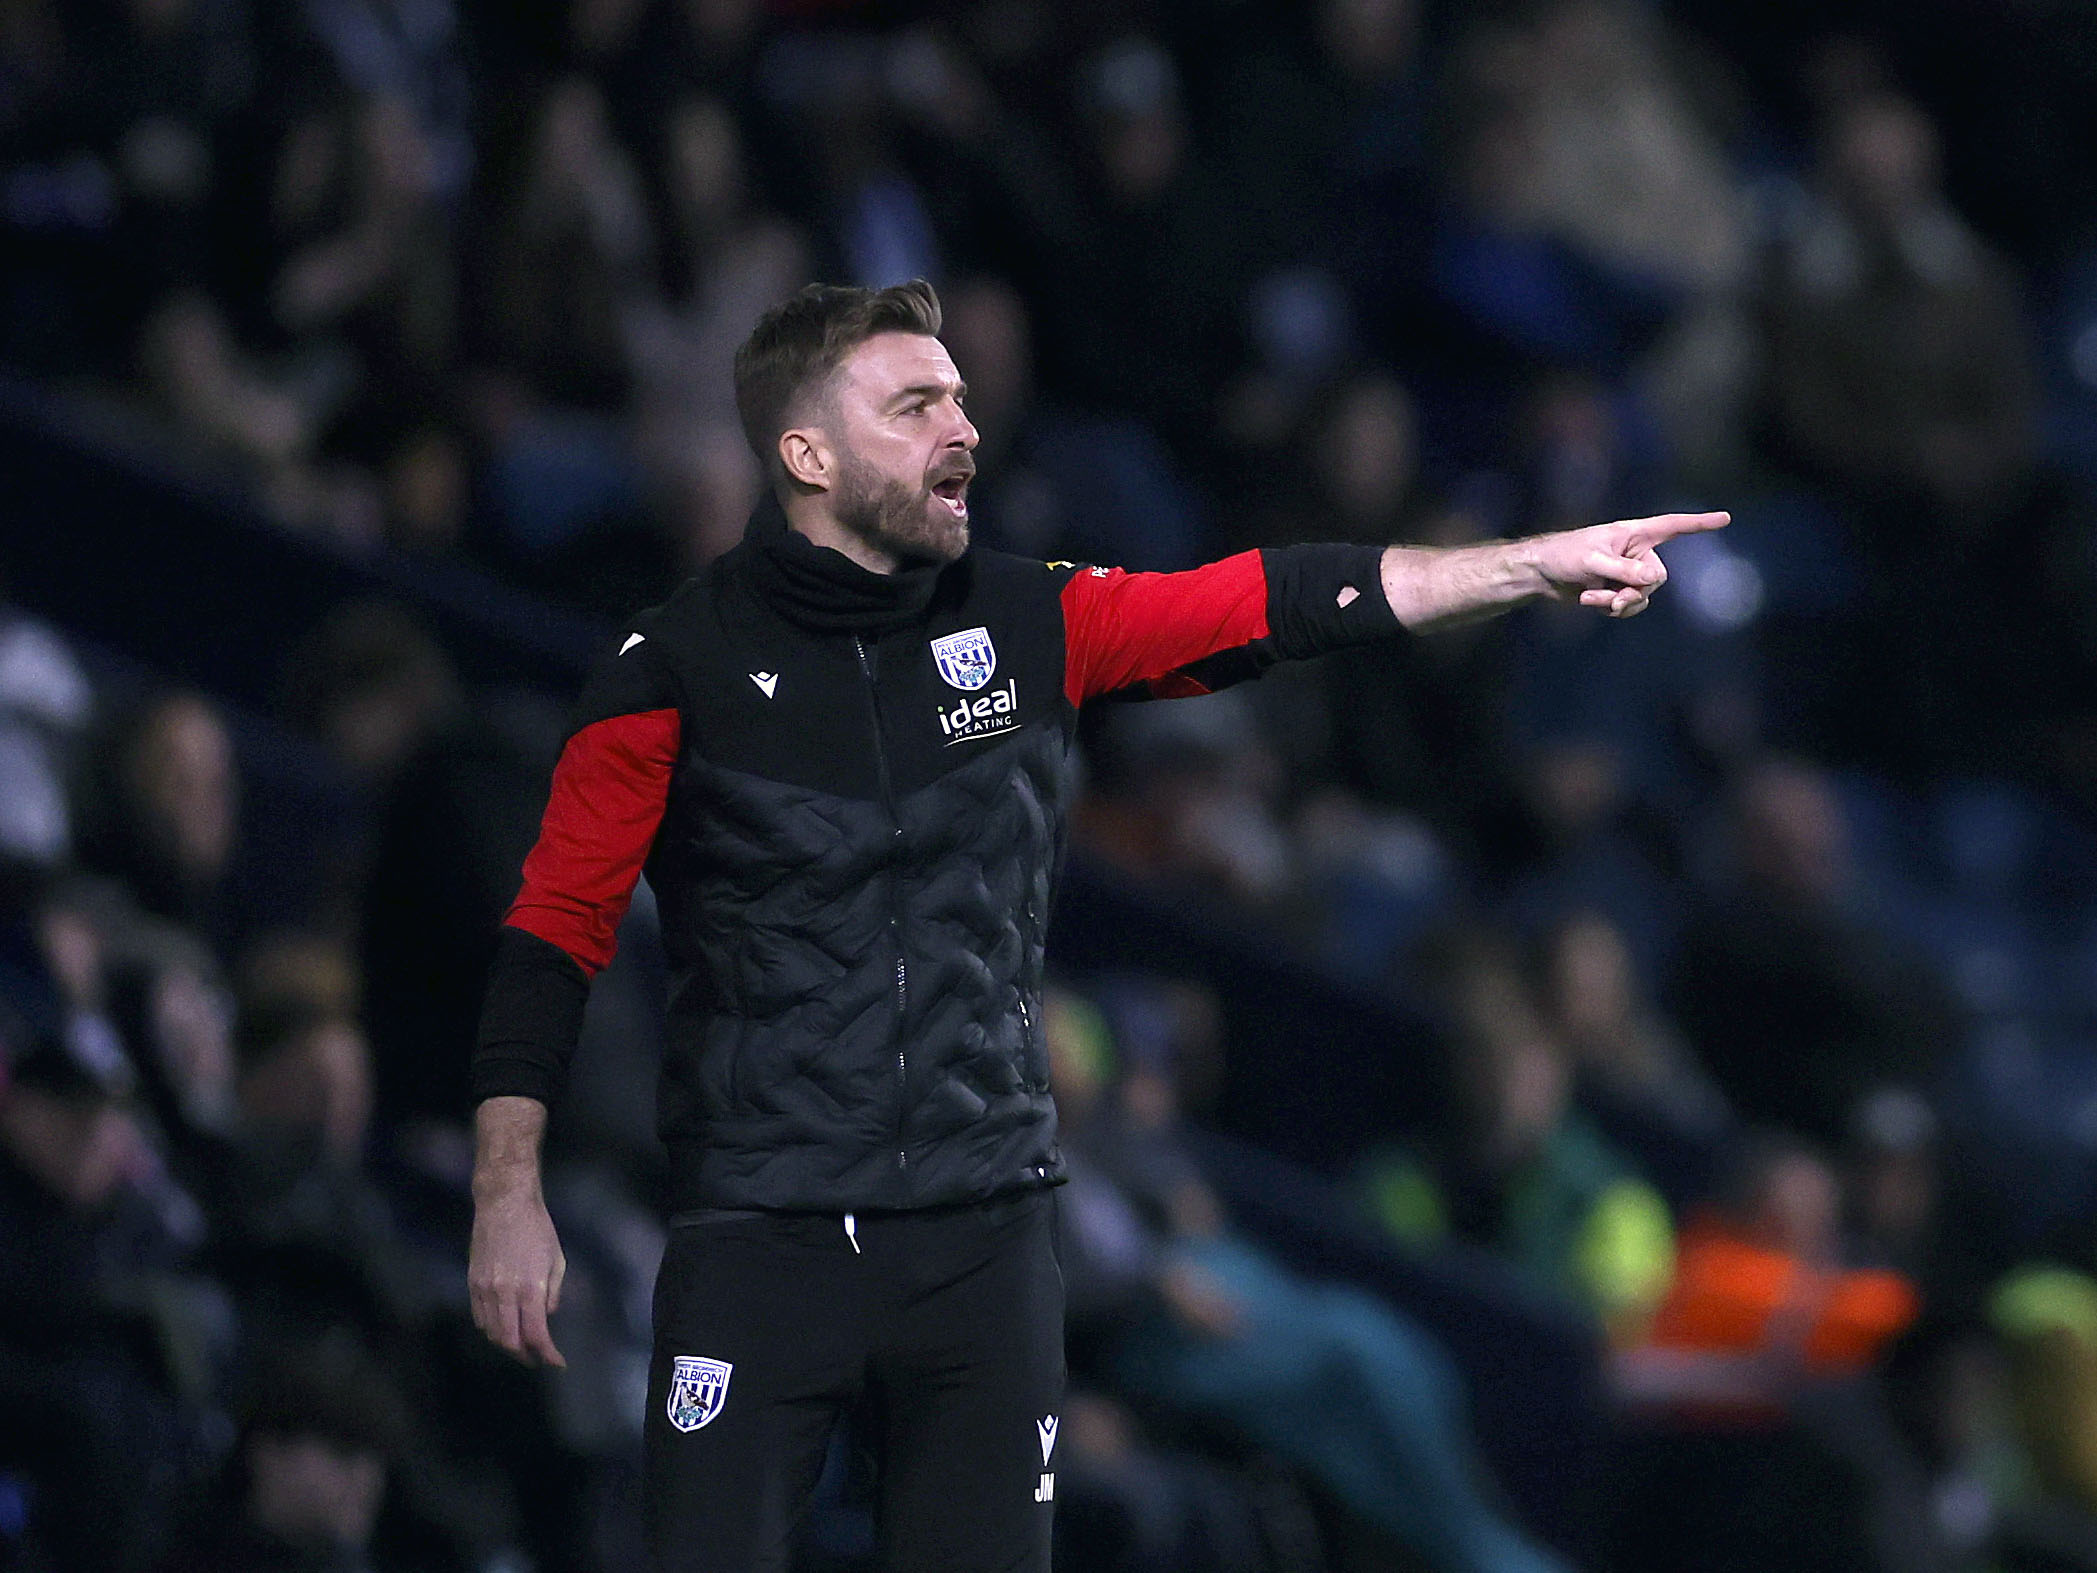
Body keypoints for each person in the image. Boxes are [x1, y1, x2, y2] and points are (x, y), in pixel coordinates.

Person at [463, 277, 1725, 1572]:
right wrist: (509, 1185)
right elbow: (553, 935)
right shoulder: (664, 675)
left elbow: (1265, 601)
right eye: (915, 406)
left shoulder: (1015, 623)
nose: (962, 429)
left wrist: (1523, 565)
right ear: (808, 455)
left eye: (958, 398)